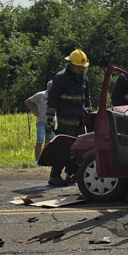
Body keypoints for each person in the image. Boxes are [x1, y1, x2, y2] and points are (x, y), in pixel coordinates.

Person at [45, 48, 91, 187]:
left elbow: (87, 99)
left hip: (79, 121)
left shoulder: (84, 79)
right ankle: (55, 175)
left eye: (82, 68)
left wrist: (89, 114)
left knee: (80, 149)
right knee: (64, 149)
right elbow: (52, 99)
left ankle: (72, 174)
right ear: (71, 64)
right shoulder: (61, 78)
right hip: (65, 121)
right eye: (78, 67)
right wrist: (49, 119)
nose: (80, 70)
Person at [24, 80, 54, 165]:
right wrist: (34, 111)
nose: (51, 88)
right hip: (41, 121)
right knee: (40, 140)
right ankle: (37, 161)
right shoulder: (41, 94)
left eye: (53, 87)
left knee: (49, 142)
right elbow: (28, 101)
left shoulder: (55, 95)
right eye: (50, 86)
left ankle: (46, 160)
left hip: (50, 122)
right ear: (47, 86)